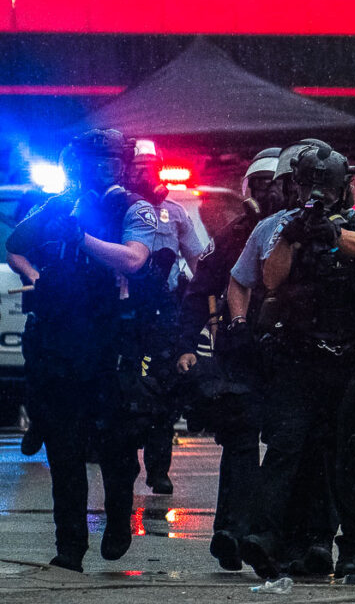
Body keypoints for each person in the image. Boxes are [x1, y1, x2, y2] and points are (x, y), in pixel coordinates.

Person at [229, 143, 355, 584]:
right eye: (309, 186)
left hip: (351, 362)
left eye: (325, 187)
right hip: (299, 359)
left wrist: (332, 235)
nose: (316, 194)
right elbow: (270, 278)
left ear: (341, 189)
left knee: (345, 460)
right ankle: (265, 536)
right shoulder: (281, 225)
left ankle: (352, 549)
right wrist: (295, 234)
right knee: (285, 448)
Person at [4, 129, 157, 572]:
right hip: (58, 339)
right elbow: (17, 245)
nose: (99, 169)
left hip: (109, 339)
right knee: (64, 449)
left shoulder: (133, 206)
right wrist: (49, 228)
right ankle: (69, 547)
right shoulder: (60, 203)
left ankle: (117, 522)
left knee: (115, 444)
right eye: (91, 162)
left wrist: (82, 236)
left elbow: (133, 259)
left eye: (107, 161)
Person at [175, 147, 282, 571]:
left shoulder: (302, 232)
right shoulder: (232, 236)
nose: (267, 194)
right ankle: (231, 532)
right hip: (238, 352)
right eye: (259, 185)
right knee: (239, 440)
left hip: (289, 354)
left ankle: (270, 534)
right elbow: (199, 291)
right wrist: (185, 344)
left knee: (287, 446)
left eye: (275, 185)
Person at [124, 140, 207, 495]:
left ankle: (159, 469)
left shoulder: (175, 213)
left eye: (150, 167)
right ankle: (124, 463)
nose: (146, 174)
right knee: (125, 389)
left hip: (165, 310)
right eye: (138, 167)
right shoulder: (119, 208)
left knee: (164, 392)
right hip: (127, 309)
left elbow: (199, 258)